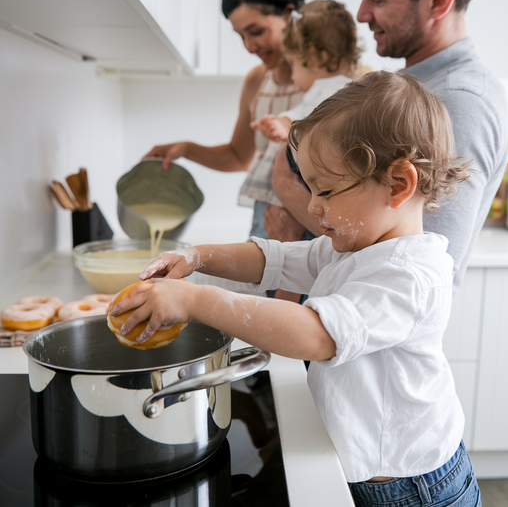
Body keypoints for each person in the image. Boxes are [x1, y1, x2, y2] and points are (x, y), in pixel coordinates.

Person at [110, 71, 480, 506]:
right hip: (369, 472)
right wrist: (197, 256)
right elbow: (276, 260)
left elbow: (317, 336)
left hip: (411, 489)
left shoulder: (410, 274)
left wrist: (195, 300)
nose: (312, 206)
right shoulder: (358, 247)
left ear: (398, 185)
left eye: (326, 190)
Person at [270, 0, 508, 295]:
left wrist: (289, 190)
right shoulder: (405, 87)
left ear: (438, 0)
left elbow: (410, 268)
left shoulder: (457, 101)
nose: (361, 13)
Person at [143, 0, 307, 244]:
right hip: (265, 226)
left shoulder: (329, 81)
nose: (249, 46)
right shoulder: (257, 81)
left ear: (288, 13)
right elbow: (238, 157)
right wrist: (185, 148)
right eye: (241, 35)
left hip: (314, 231)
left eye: (257, 31)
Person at [244, 0, 369, 210]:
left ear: (319, 57)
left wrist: (283, 125)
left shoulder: (330, 90)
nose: (293, 76)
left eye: (294, 65)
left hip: (296, 200)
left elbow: (311, 122)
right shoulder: (357, 90)